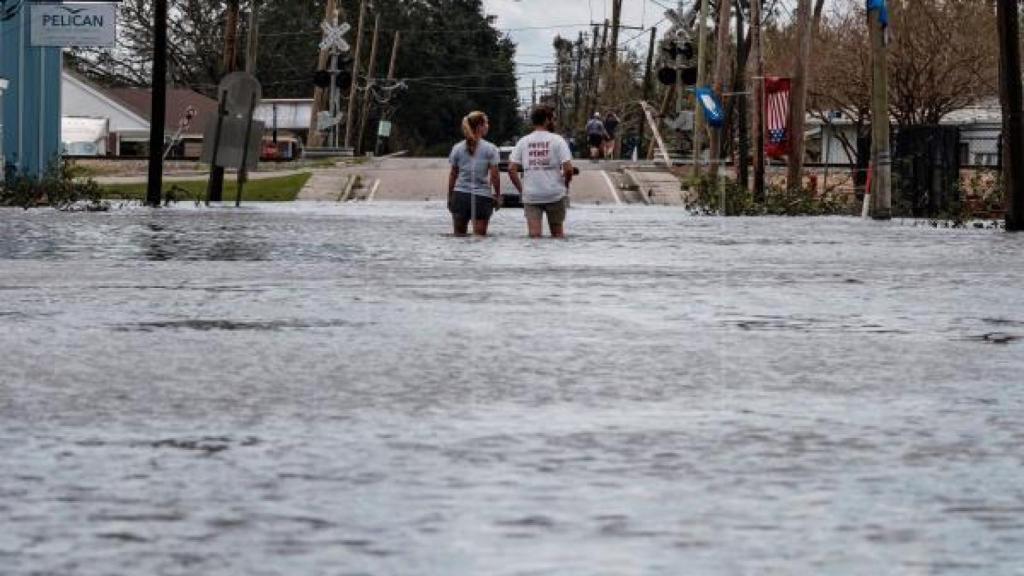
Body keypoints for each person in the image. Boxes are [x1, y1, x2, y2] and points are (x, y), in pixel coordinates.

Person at [509, 105, 574, 238]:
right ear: (546, 120)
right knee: (557, 236)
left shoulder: (523, 142)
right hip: (554, 193)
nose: (554, 122)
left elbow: (511, 169)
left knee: (534, 237)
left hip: (532, 195)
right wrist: (565, 184)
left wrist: (522, 190)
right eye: (553, 119)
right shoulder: (558, 140)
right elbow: (568, 168)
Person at [447, 111, 501, 236]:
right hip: (482, 197)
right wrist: (497, 196)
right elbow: (495, 175)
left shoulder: (457, 148)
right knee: (480, 239)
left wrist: (450, 197)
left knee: (459, 238)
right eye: (486, 123)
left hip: (460, 196)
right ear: (479, 127)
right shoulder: (491, 148)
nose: (488, 126)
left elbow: (453, 175)